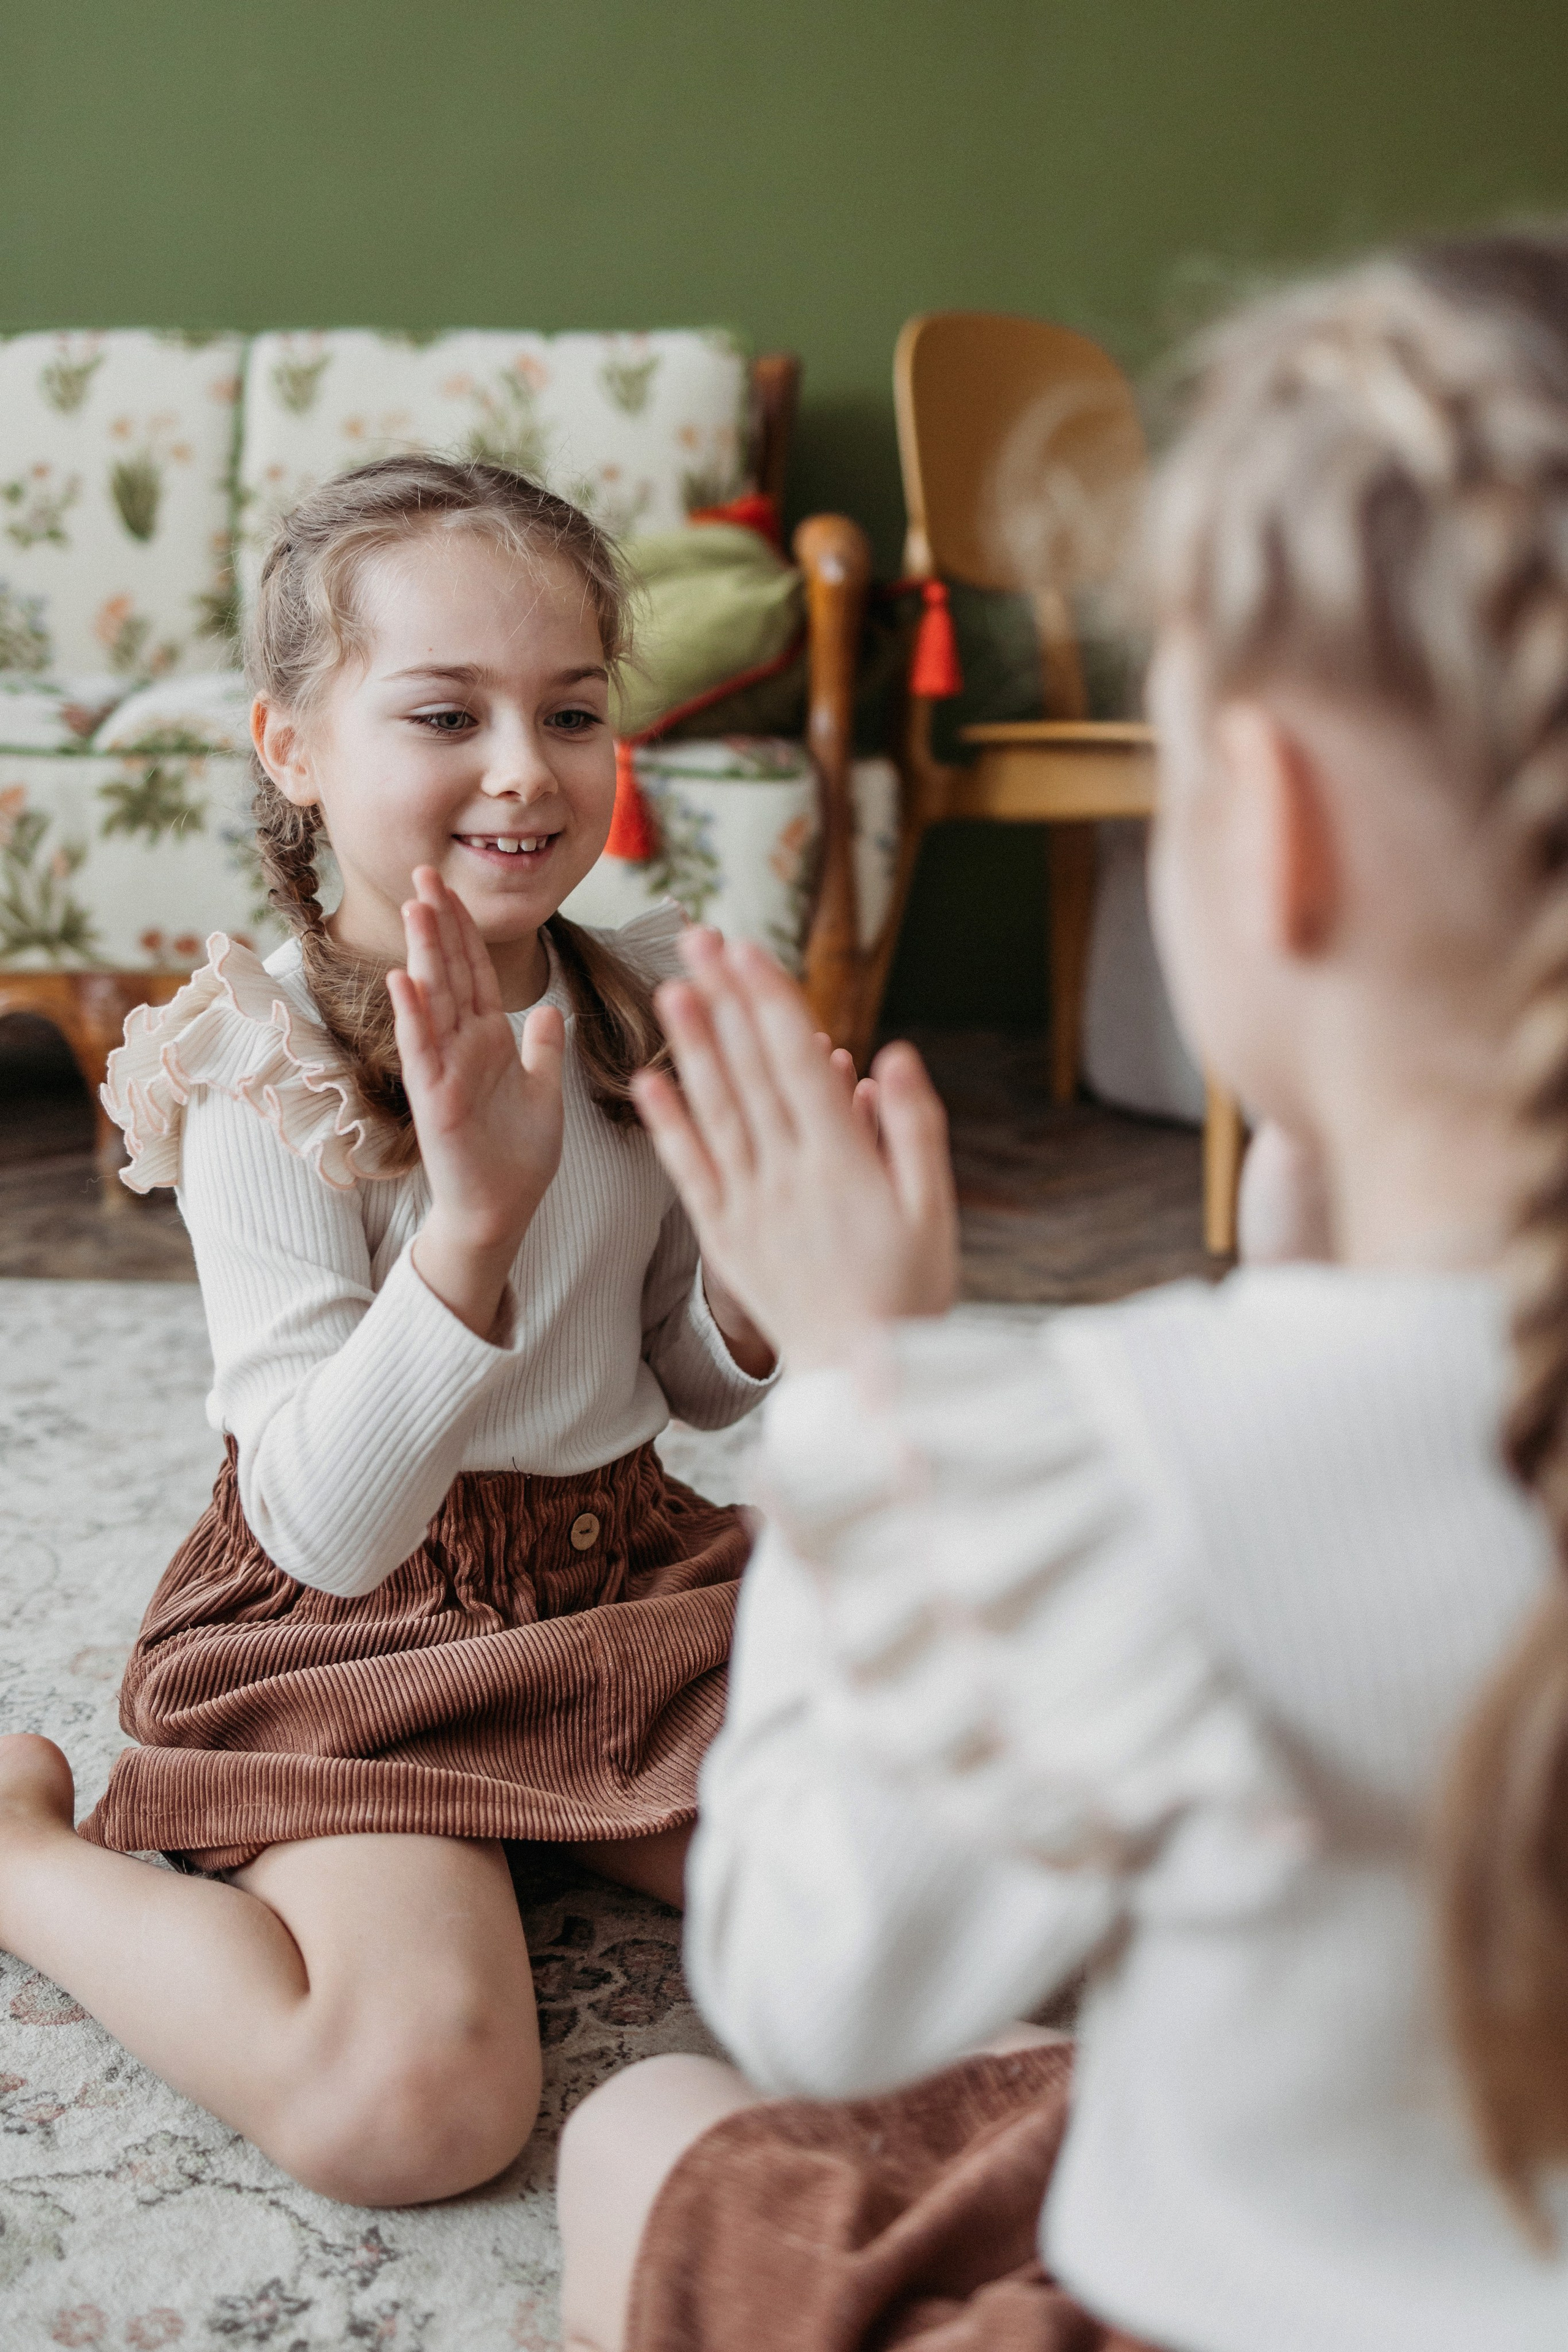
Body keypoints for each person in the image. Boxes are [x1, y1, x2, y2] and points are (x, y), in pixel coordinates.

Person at [556, 230, 1568, 2351]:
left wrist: (862, 1392)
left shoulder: (1131, 1465)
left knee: (647, 2127)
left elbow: (808, 1982)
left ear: (1267, 827)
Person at [0, 455, 781, 2207]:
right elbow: (323, 1524)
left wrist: (754, 1283)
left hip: (629, 1582)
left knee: (931, 1892)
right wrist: (476, 1229)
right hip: (360, 1641)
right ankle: (23, 1864)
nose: (526, 769)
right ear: (293, 747)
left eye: (571, 711)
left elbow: (676, 1375)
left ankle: (567, 1821)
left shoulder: (630, 997)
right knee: (409, 2110)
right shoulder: (260, 1068)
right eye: (448, 713)